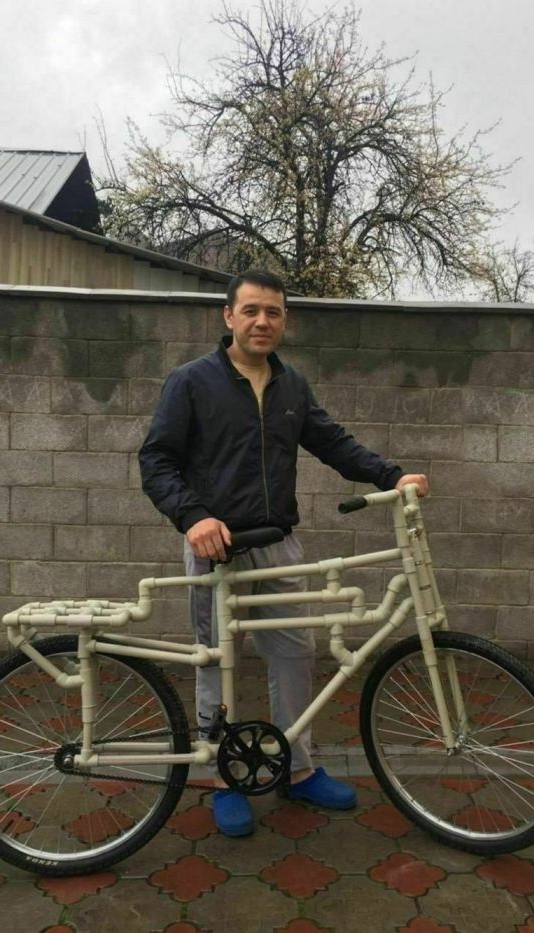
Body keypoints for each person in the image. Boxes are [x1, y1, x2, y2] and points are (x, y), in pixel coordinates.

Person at [139, 268, 429, 837]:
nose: (262, 321)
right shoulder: (191, 381)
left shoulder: (291, 385)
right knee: (215, 662)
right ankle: (223, 779)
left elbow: (332, 442)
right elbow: (156, 460)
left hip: (279, 545)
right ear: (229, 316)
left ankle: (297, 769)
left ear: (284, 320)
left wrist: (391, 476)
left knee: (295, 655)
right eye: (250, 310)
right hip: (217, 550)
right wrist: (193, 517)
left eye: (272, 312)